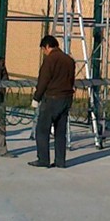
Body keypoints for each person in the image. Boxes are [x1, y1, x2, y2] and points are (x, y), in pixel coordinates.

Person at [28, 34, 76, 169]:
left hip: (52, 99)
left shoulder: (50, 60)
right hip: (66, 98)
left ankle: (43, 159)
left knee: (42, 130)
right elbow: (71, 80)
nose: (44, 53)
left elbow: (43, 81)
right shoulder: (69, 60)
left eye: (44, 50)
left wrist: (36, 98)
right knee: (60, 132)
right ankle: (60, 161)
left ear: (47, 46)